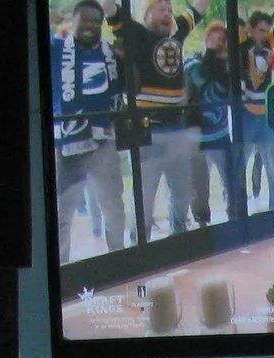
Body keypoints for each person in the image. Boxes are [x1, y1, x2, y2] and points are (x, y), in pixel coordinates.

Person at [51, 0, 130, 261]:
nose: (91, 25)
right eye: (85, 19)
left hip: (103, 141)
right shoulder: (55, 49)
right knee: (61, 213)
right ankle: (62, 269)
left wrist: (124, 59)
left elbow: (133, 87)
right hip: (66, 145)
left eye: (96, 21)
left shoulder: (110, 53)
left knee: (113, 208)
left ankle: (118, 263)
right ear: (73, 21)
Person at [114, 0, 196, 237]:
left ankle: (179, 237)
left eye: (170, 10)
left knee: (182, 192)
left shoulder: (176, 33)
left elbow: (200, 7)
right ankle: (140, 244)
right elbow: (110, 8)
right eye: (162, 9)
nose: (168, 14)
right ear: (147, 14)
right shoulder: (137, 33)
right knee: (143, 196)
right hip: (146, 129)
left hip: (177, 126)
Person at [186, 16, 241, 227]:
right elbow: (198, 79)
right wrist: (210, 55)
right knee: (199, 184)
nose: (218, 43)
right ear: (206, 39)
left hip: (220, 132)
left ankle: (235, 217)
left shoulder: (227, 66)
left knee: (231, 179)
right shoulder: (193, 62)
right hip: (197, 134)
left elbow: (229, 89)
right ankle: (201, 222)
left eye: (222, 40)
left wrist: (221, 63)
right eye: (214, 38)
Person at [238, 8, 274, 208]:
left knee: (273, 165)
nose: (264, 35)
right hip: (246, 114)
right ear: (251, 29)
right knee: (240, 165)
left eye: (267, 31)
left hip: (264, 113)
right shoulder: (241, 49)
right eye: (261, 30)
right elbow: (239, 79)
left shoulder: (268, 46)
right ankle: (237, 209)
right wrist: (247, 105)